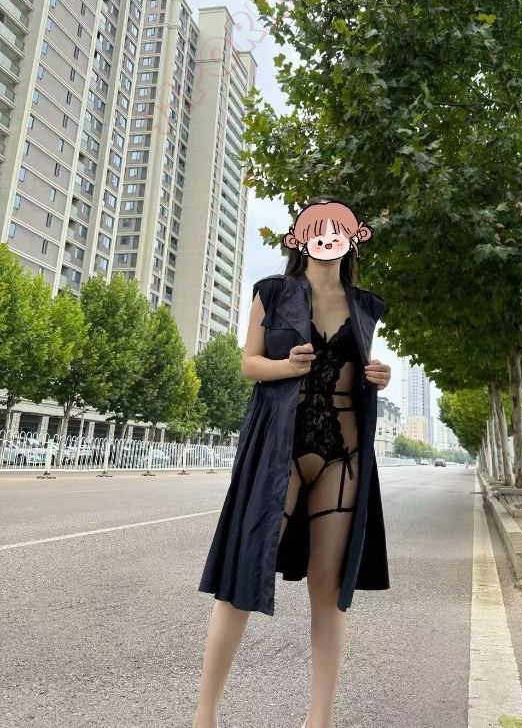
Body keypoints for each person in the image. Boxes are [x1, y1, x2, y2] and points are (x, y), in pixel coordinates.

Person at [193, 196, 391, 728]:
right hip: (280, 447)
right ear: (298, 239)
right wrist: (286, 366)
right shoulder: (272, 292)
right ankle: (204, 716)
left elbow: (361, 371)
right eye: (316, 229)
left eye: (338, 229)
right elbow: (249, 364)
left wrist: (380, 377)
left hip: (343, 455)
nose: (328, 237)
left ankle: (318, 721)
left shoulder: (365, 305)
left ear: (355, 238)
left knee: (328, 590)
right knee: (244, 569)